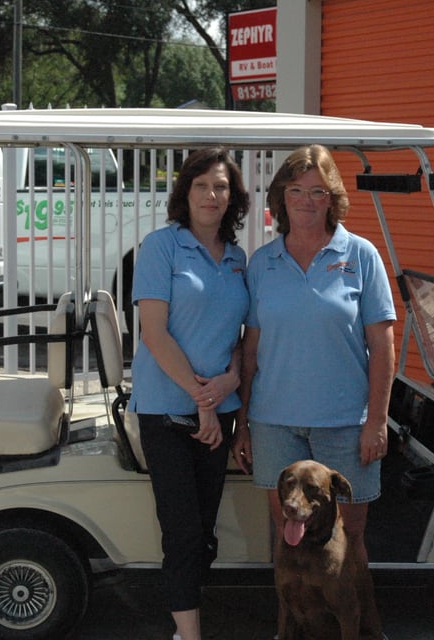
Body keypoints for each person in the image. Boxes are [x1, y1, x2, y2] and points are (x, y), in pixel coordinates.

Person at [231, 144, 396, 639]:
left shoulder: (361, 256)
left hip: (344, 423)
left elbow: (382, 346)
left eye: (318, 192)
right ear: (281, 197)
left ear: (333, 198)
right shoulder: (262, 262)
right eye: (296, 190)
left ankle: (362, 628)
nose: (306, 201)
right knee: (289, 537)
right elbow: (250, 350)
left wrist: (377, 421)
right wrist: (243, 423)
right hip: (274, 423)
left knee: (351, 538)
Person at [128, 147, 251, 640]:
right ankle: (188, 635)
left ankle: (188, 609)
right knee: (182, 532)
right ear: (186, 192)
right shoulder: (162, 247)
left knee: (203, 532)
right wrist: (206, 401)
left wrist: (233, 378)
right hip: (167, 409)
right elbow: (154, 334)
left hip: (218, 409)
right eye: (201, 185)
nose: (211, 195)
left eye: (220, 187)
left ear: (232, 198)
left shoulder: (238, 258)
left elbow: (241, 338)